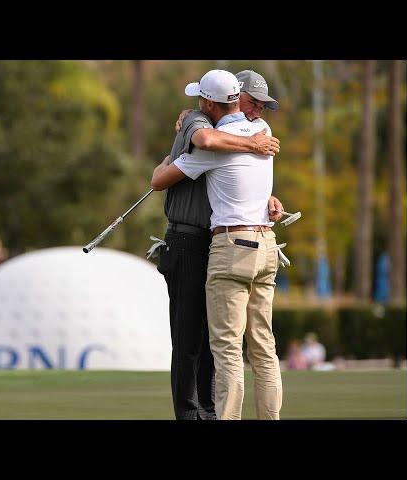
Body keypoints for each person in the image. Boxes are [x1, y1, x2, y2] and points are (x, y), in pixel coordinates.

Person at [152, 69, 283, 420]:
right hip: (267, 245)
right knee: (264, 348)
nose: (258, 109)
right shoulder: (264, 132)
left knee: (225, 349)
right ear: (238, 98)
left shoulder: (213, 142)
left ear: (209, 102)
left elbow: (160, 179)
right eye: (253, 102)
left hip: (231, 246)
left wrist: (185, 135)